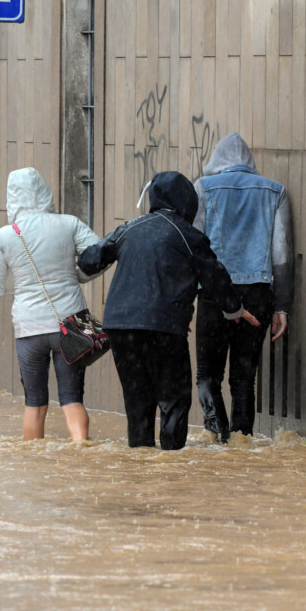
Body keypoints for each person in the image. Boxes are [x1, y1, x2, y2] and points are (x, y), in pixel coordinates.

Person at [78, 171, 259, 451]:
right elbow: (215, 276)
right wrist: (235, 310)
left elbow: (90, 259)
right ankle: (170, 466)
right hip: (162, 329)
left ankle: (141, 467)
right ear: (187, 202)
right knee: (174, 400)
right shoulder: (188, 235)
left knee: (138, 402)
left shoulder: (129, 228)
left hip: (120, 328)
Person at [0, 168, 100, 442]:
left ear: (11, 198)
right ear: (45, 192)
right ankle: (82, 455)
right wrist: (76, 276)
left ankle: (33, 461)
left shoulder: (4, 236)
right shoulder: (69, 224)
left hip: (29, 331)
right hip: (70, 327)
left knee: (35, 403)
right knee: (72, 399)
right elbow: (100, 256)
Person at [192, 133, 293, 442]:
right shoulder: (275, 192)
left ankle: (218, 437)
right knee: (244, 379)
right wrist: (282, 306)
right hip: (259, 293)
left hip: (215, 293)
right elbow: (282, 254)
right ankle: (241, 443)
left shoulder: (203, 188)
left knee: (208, 375)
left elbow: (196, 247)